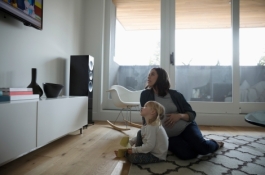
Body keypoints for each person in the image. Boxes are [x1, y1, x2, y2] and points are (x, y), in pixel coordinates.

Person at [140, 67, 224, 160]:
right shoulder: (145, 95)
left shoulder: (175, 95)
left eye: (152, 74)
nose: (148, 77)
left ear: (161, 77)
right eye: (149, 74)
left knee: (203, 148)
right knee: (188, 155)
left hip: (185, 127)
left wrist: (179, 116)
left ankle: (215, 143)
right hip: (169, 136)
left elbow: (192, 114)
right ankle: (189, 143)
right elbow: (145, 118)